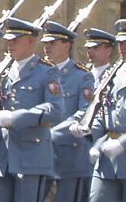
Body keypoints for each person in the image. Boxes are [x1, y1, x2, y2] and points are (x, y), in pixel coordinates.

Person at [0, 17, 64, 202]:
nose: (9, 44)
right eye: (9, 40)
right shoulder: (3, 71)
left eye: (15, 40)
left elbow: (55, 108)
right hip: (2, 155)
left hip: (31, 155)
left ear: (30, 41)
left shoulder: (47, 71)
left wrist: (16, 117)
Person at [70, 18, 126, 202]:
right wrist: (88, 129)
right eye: (120, 43)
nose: (122, 47)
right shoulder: (114, 74)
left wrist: (122, 143)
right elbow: (104, 111)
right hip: (107, 161)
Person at [41, 21, 95, 202]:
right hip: (39, 154)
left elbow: (85, 111)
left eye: (52, 43)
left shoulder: (82, 76)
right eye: (45, 43)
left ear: (67, 45)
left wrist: (54, 133)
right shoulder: (40, 73)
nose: (47, 47)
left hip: (69, 154)